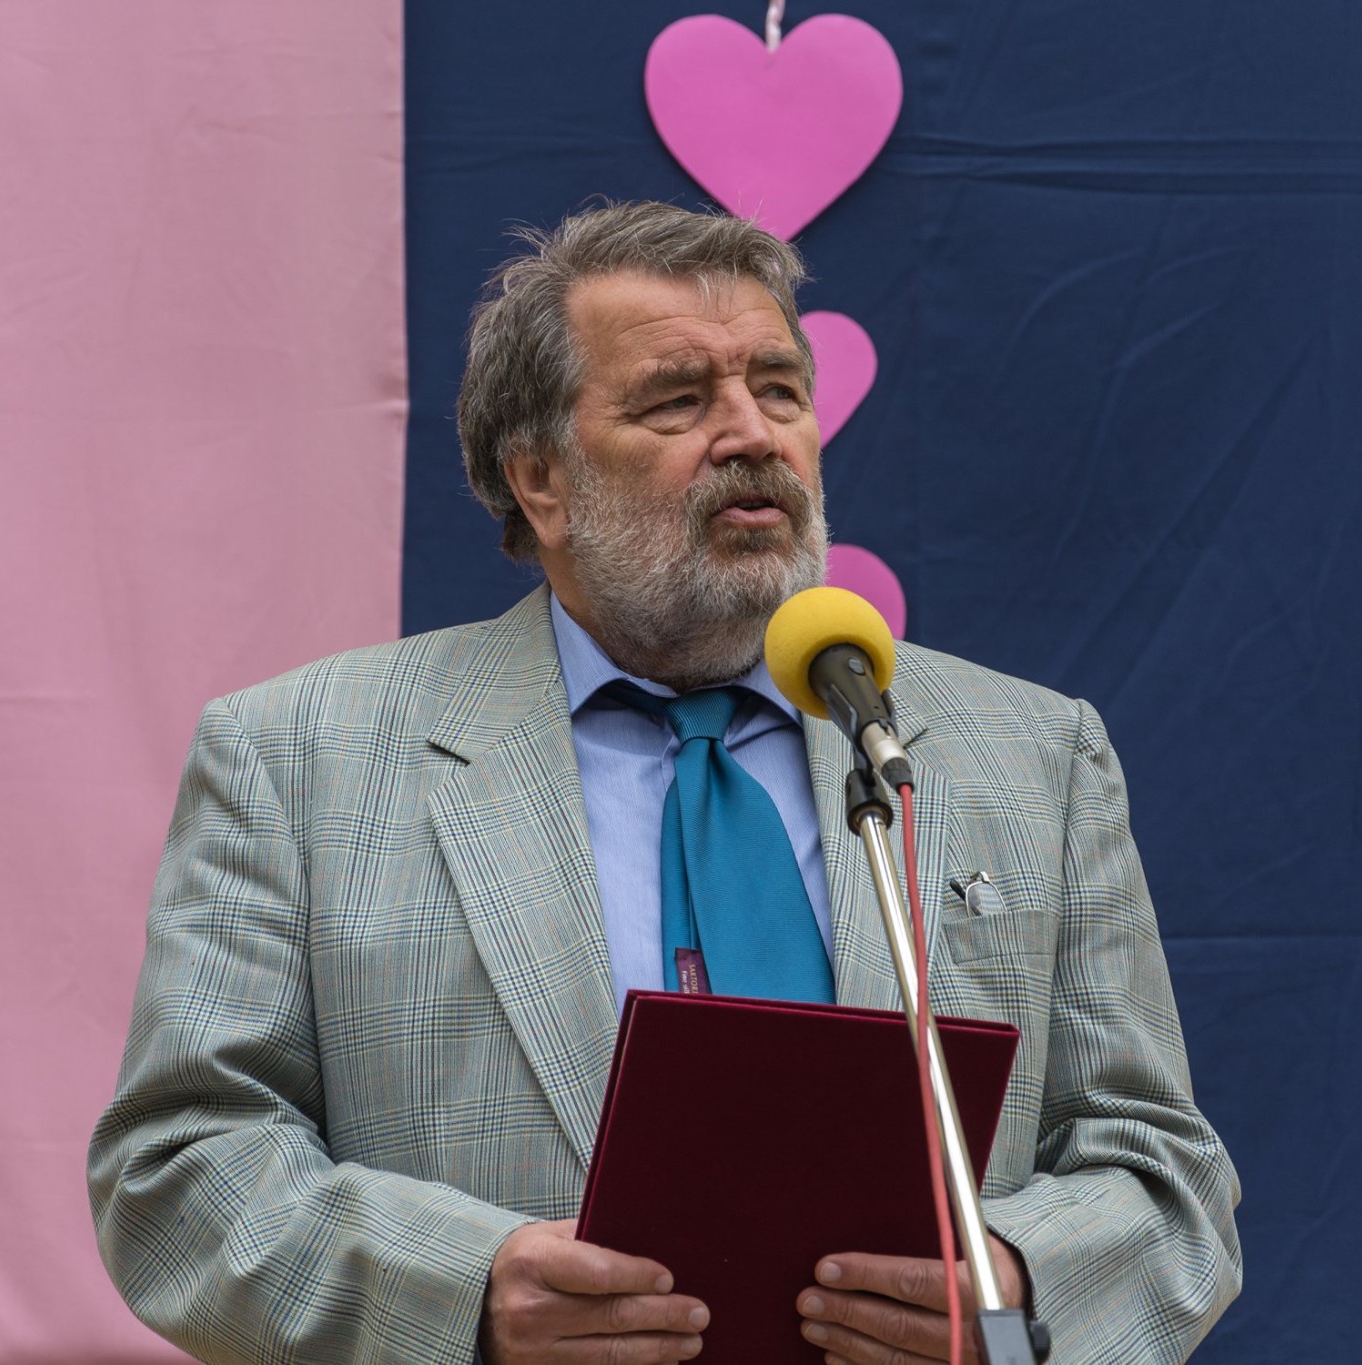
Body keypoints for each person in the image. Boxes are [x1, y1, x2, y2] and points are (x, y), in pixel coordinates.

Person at [88, 200, 1242, 1364]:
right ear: (539, 480)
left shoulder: (1026, 753)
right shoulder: (298, 757)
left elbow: (1160, 1172)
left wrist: (1012, 1288)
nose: (750, 434)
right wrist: (465, 1296)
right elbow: (179, 1169)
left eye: (778, 389)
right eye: (676, 401)